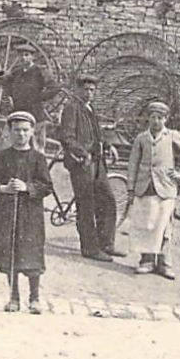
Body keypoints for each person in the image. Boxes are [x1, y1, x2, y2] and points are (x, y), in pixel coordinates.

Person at [0, 111, 54, 314]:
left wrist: (27, 187)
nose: (21, 134)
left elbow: (47, 186)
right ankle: (13, 297)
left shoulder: (38, 158)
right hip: (6, 212)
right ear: (10, 132)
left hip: (30, 214)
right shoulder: (3, 157)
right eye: (16, 130)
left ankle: (34, 298)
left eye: (25, 130)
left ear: (32, 132)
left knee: (32, 256)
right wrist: (4, 188)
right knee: (10, 254)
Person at [124, 100, 180, 279]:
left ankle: (165, 263)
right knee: (146, 224)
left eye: (160, 118)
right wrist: (131, 187)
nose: (156, 121)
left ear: (166, 119)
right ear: (147, 119)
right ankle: (146, 261)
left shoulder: (172, 136)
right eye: (153, 117)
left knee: (164, 226)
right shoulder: (141, 138)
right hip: (145, 186)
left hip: (165, 187)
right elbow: (133, 164)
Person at [57, 74, 122, 261]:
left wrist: (109, 147)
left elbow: (97, 134)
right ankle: (90, 248)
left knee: (108, 200)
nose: (89, 93)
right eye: (85, 89)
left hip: (97, 161)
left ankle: (106, 243)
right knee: (86, 205)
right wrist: (82, 153)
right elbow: (67, 137)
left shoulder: (90, 108)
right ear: (78, 90)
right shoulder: (71, 109)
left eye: (92, 90)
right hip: (81, 163)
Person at [0, 46, 58, 149]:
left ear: (32, 57)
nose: (23, 58)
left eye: (26, 55)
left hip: (35, 113)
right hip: (17, 112)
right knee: (6, 143)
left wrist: (39, 97)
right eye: (21, 55)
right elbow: (7, 83)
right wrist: (10, 96)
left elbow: (54, 88)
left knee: (37, 147)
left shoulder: (40, 71)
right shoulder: (17, 71)